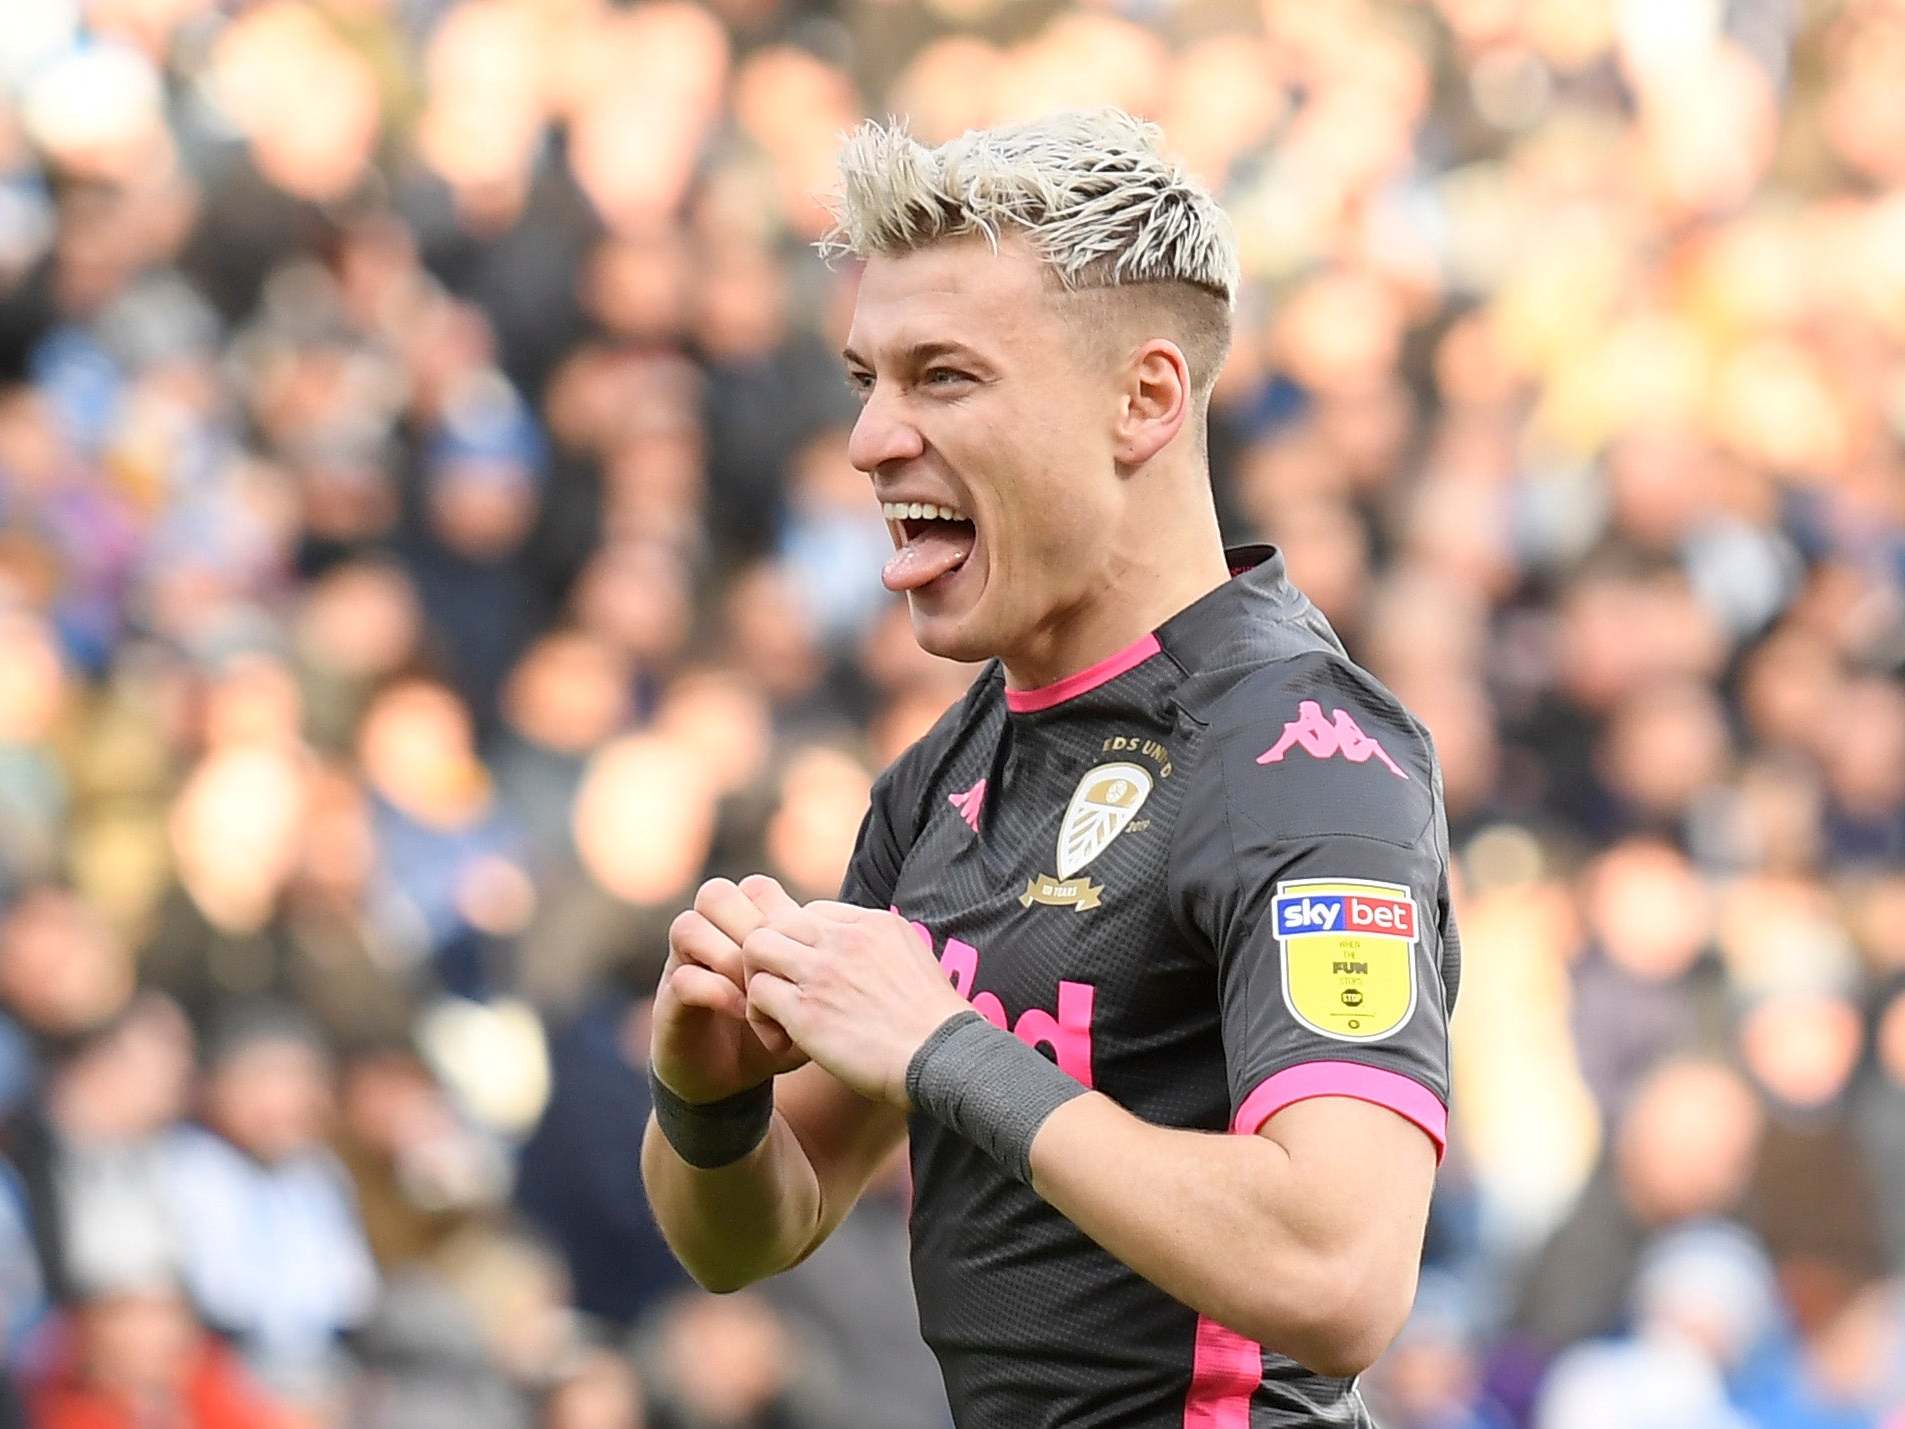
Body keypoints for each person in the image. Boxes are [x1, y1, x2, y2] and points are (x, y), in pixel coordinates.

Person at [640, 109, 1457, 1428]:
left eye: (944, 377)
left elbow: (1342, 1265)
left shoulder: (1300, 759)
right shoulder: (944, 771)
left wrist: (948, 1050)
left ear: (1143, 399)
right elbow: (747, 1234)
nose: (870, 439)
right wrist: (706, 1090)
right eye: (866, 381)